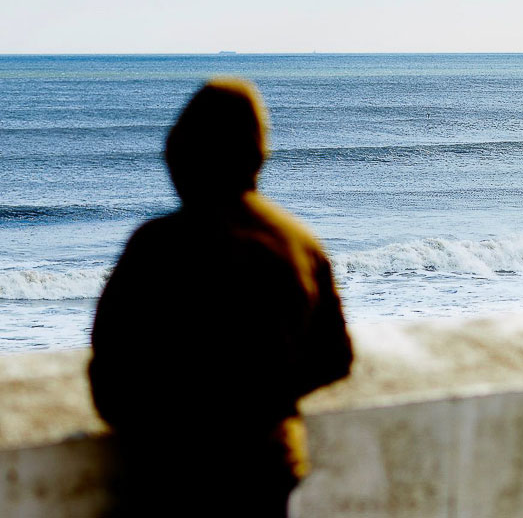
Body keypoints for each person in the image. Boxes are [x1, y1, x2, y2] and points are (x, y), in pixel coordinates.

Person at [89, 78, 354, 518]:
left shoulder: (158, 245)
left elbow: (110, 369)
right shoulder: (299, 243)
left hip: (174, 473)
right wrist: (260, 395)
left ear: (183, 154)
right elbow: (335, 358)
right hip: (268, 464)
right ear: (255, 155)